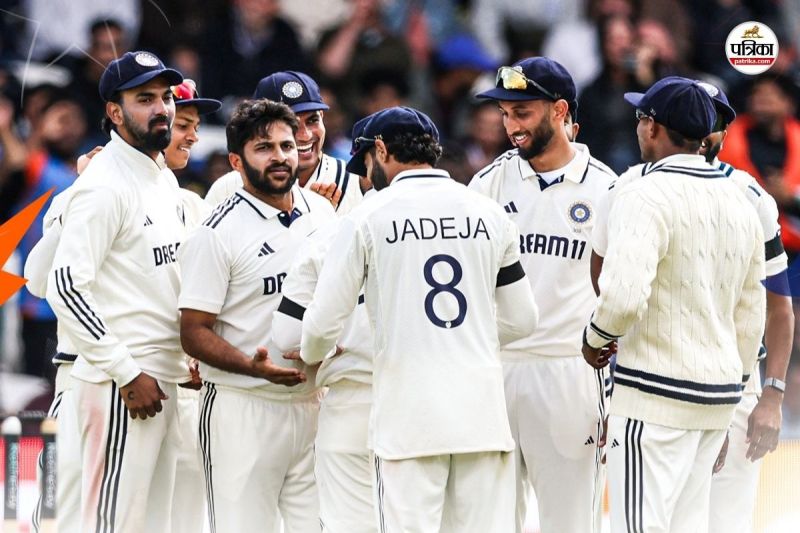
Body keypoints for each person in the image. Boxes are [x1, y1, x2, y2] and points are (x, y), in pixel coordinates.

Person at [301, 106, 539, 532]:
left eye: (368, 162)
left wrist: (310, 358)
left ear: (380, 149)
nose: (367, 173)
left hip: (407, 420)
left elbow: (320, 327)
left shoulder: (365, 218)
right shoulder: (488, 212)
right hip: (481, 416)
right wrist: (468, 337)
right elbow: (523, 320)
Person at [582, 76, 766, 533]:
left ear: (651, 127)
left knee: (639, 526)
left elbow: (621, 295)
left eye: (641, 117)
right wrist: (737, 392)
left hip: (654, 398)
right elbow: (751, 312)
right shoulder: (740, 198)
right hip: (718, 396)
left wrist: (594, 340)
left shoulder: (643, 193)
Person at [468, 57, 616, 533]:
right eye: (505, 114)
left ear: (559, 111)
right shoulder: (487, 184)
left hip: (571, 372)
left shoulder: (608, 189)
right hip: (497, 369)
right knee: (488, 520)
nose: (511, 126)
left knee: (571, 521)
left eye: (523, 113)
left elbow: (624, 295)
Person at [44, 51, 189, 532]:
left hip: (159, 380)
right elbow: (64, 286)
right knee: (105, 525)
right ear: (114, 111)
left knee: (149, 524)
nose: (162, 108)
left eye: (165, 97)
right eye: (144, 98)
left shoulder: (161, 177)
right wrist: (126, 372)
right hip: (119, 386)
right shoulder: (105, 185)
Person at [178, 99, 336, 533]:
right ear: (236, 161)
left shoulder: (324, 215)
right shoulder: (215, 233)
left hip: (315, 407)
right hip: (241, 406)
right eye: (264, 148)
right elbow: (193, 332)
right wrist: (252, 367)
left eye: (287, 145)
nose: (281, 157)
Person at [699, 84, 793, 533]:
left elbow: (779, 306)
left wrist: (770, 395)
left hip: (736, 386)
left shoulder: (751, 197)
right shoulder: (634, 189)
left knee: (728, 523)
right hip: (656, 389)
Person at [272, 142, 377, 532]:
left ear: (376, 159)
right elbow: (518, 320)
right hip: (433, 398)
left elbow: (291, 334)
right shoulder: (475, 215)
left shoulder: (332, 233)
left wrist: (321, 348)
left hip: (349, 395)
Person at [205, 71, 361, 214]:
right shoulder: (227, 187)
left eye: (313, 120)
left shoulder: (354, 183)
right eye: (292, 125)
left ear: (322, 117)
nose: (305, 135)